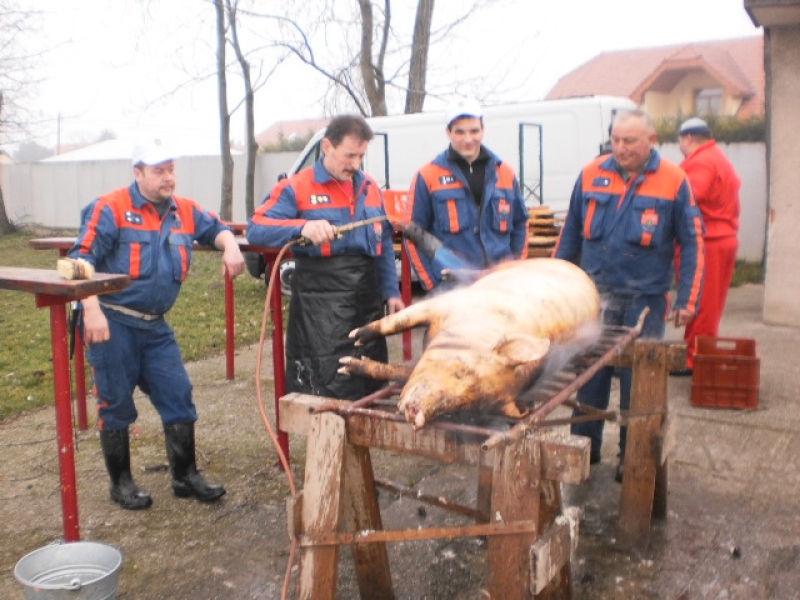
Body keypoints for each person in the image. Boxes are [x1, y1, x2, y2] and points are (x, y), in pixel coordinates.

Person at [68, 138, 246, 510]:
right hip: (113, 320)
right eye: (158, 171)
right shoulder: (111, 208)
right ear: (138, 174)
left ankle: (185, 476)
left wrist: (230, 245)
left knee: (178, 394)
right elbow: (79, 260)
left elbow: (216, 227)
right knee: (115, 403)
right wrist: (92, 309)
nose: (168, 178)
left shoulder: (183, 210)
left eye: (171, 169)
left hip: (156, 326)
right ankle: (121, 484)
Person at [553, 109, 705, 482]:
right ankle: (583, 454)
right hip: (595, 299)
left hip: (645, 304)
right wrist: (555, 287)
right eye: (616, 140)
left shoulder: (673, 180)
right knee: (589, 380)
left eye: (630, 141)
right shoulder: (591, 174)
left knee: (639, 388)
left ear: (651, 140)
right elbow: (570, 234)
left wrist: (688, 301)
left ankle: (632, 457)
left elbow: (693, 243)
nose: (621, 148)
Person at [247, 114, 404, 400]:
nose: (355, 164)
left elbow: (380, 242)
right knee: (326, 395)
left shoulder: (369, 188)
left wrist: (391, 291)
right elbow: (256, 229)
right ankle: (328, 444)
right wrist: (302, 227)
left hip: (367, 303)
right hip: (321, 309)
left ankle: (360, 444)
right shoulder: (296, 187)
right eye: (349, 155)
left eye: (361, 155)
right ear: (328, 147)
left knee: (369, 387)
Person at [404, 98, 529, 290]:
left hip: (500, 284)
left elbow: (520, 224)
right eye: (460, 132)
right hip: (452, 287)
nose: (468, 139)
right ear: (448, 132)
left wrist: (514, 268)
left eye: (474, 131)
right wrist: (433, 284)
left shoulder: (504, 172)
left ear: (483, 129)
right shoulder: (429, 175)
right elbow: (413, 233)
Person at [677, 117, 741, 373]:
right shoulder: (717, 157)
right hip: (720, 239)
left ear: (688, 138)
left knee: (701, 304)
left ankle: (695, 359)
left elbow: (690, 196)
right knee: (709, 304)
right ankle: (699, 353)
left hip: (708, 243)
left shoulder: (701, 162)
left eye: (679, 141)